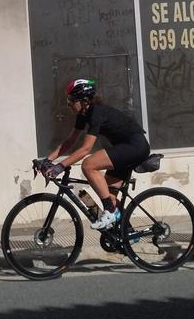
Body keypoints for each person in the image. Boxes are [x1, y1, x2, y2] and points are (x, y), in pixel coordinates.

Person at [44, 78, 151, 230]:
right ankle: (126, 233)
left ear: (84, 100)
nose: (68, 104)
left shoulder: (96, 112)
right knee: (107, 192)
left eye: (71, 100)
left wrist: (60, 166)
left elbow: (86, 149)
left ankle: (110, 212)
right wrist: (47, 160)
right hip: (126, 148)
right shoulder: (84, 114)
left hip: (135, 147)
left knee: (88, 165)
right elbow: (70, 141)